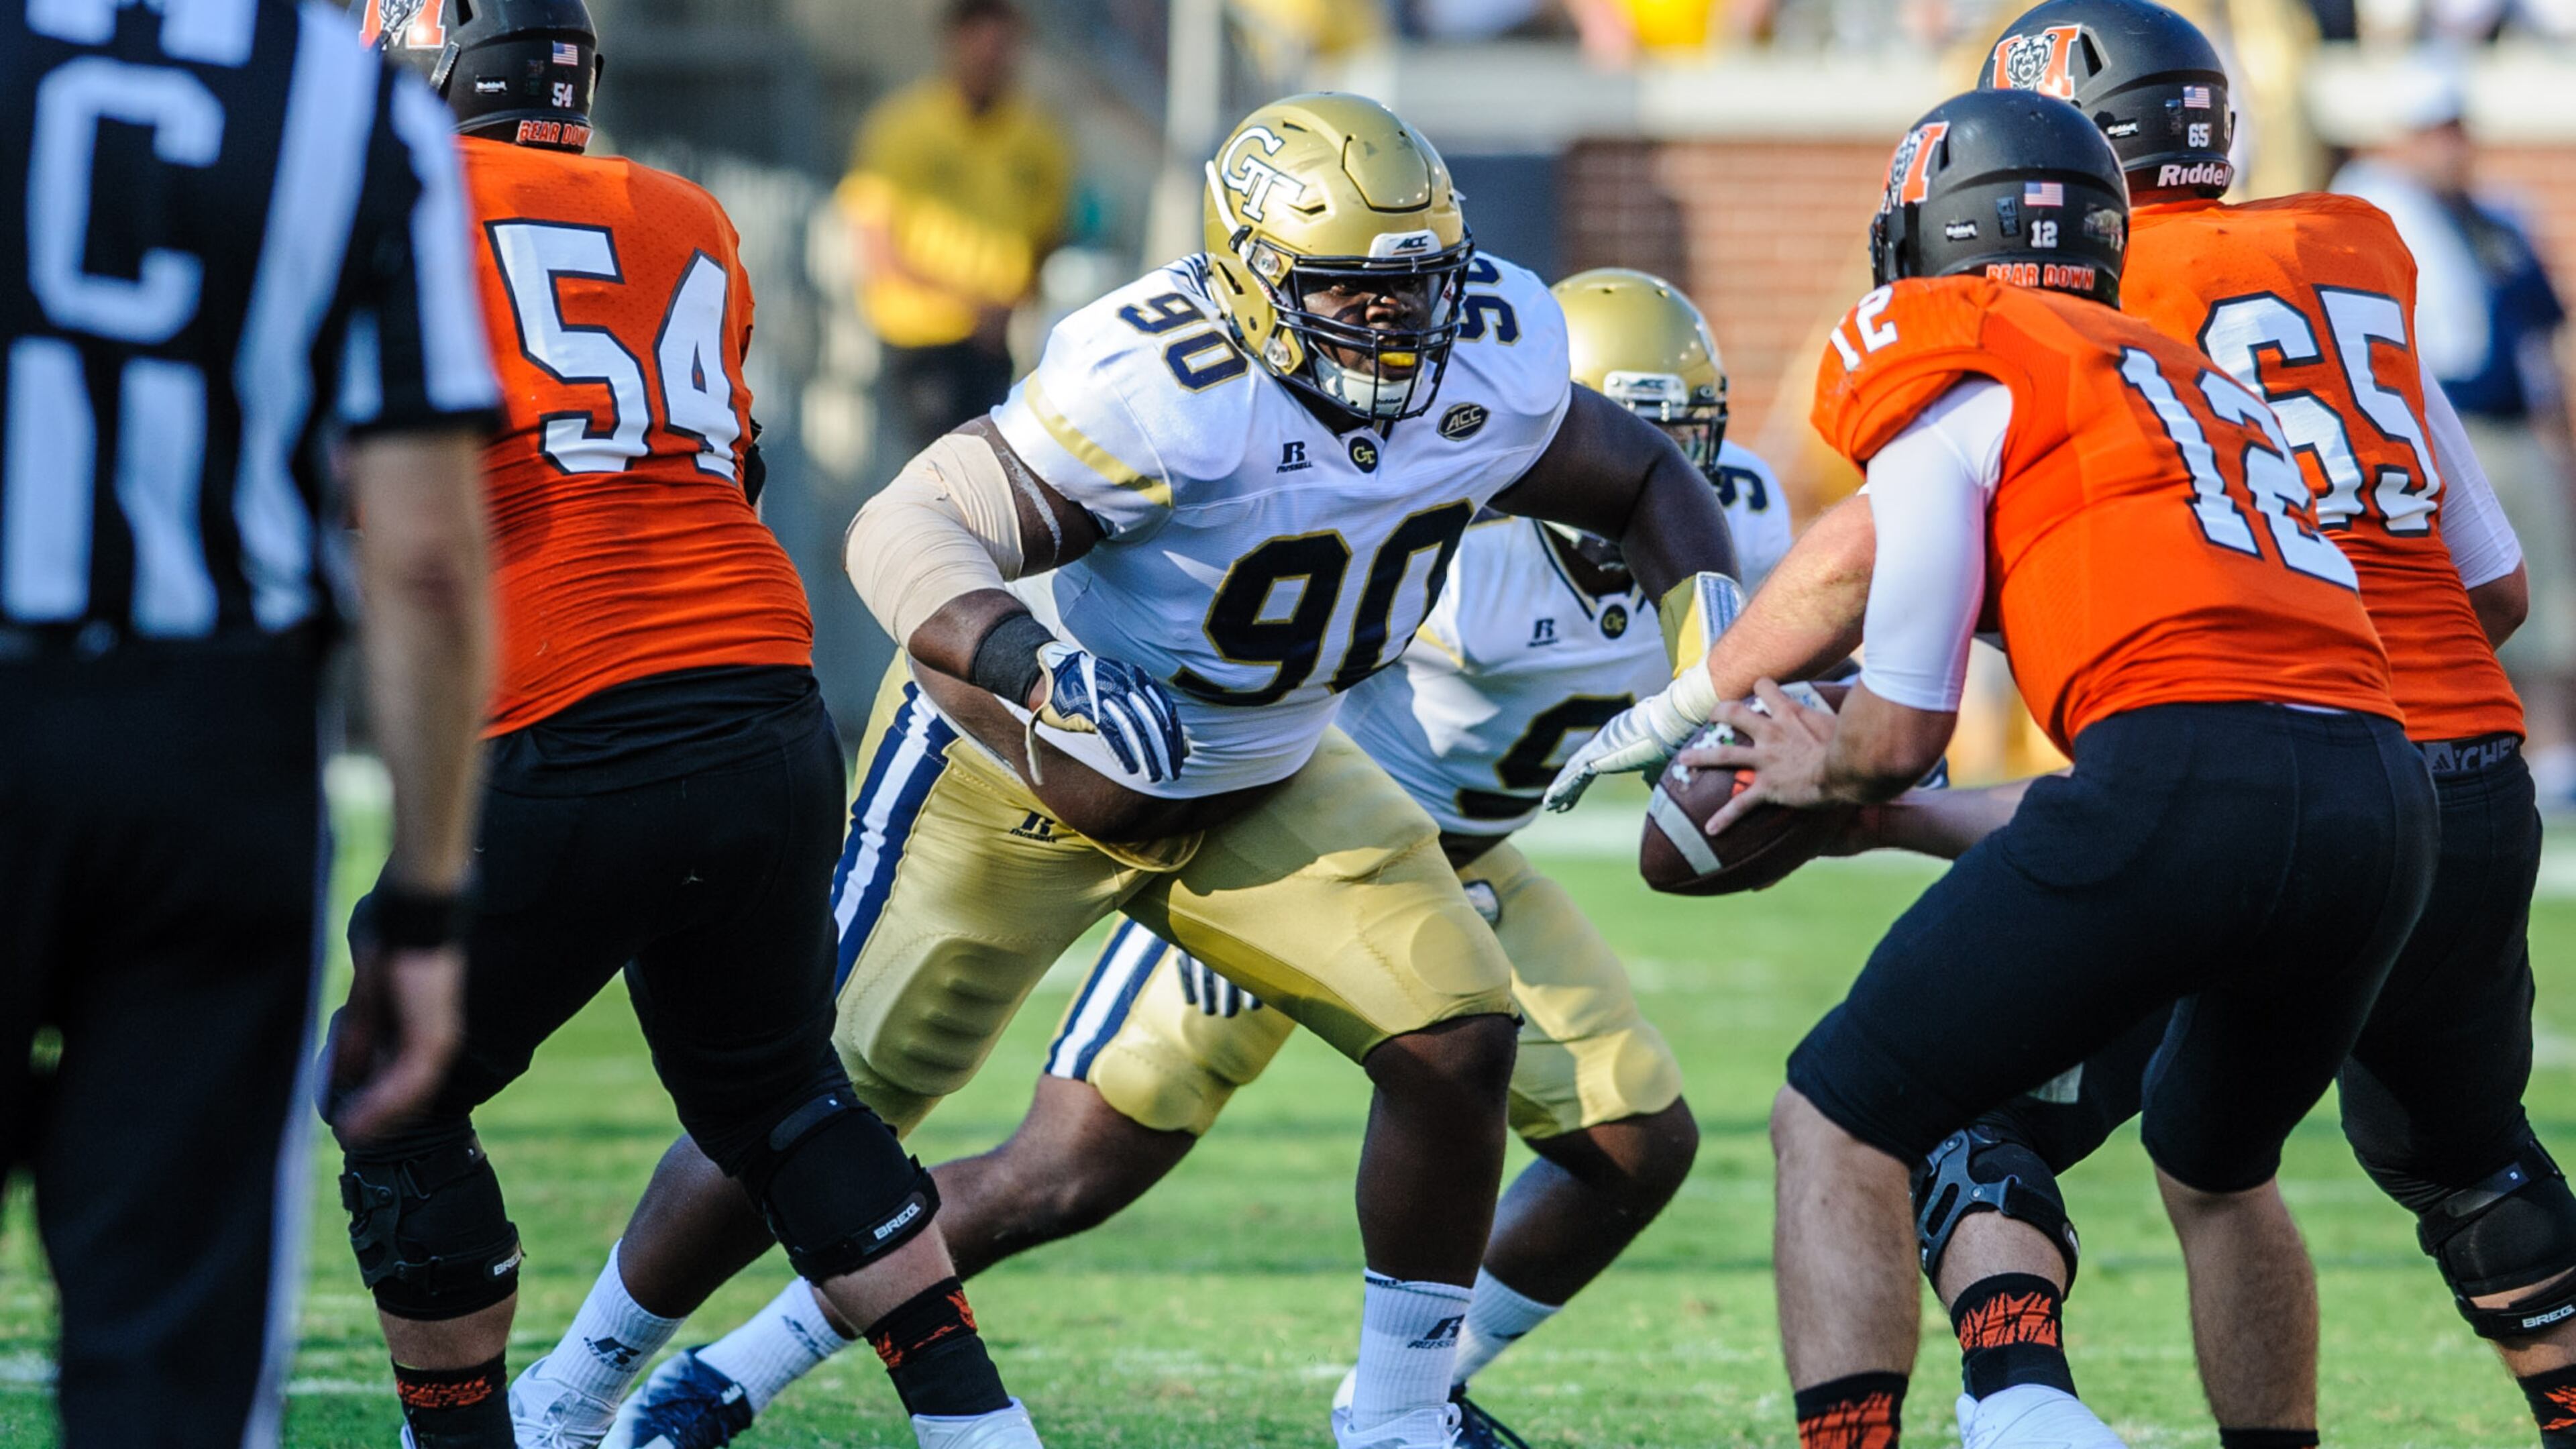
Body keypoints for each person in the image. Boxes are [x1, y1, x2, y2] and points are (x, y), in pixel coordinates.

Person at [520, 93, 1745, 1449]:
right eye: (1352, 290)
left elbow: (1640, 478)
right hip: (1021, 778)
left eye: (1417, 285)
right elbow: (908, 522)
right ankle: (571, 1391)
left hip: (1264, 771)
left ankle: (1398, 1422)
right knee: (811, 1105)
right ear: (1253, 279)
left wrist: (1716, 668)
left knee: (1457, 1036)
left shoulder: (1491, 350)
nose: (1396, 322)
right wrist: (1039, 665)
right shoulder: (1164, 382)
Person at [1552, 89, 2438, 1449]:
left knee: (1837, 1114)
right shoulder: (2194, 384)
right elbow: (2157, 789)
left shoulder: (1964, 372)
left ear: (1930, 239)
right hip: (2380, 801)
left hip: (2186, 783)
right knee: (2219, 1170)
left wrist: (1822, 771)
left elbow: (1907, 733)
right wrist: (1881, 800)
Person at [1832, 8, 2565, 1448]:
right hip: (2466, 775)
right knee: (2464, 1164)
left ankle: (2021, 1405)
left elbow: (1909, 555)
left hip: (2243, 770)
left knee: (1970, 1097)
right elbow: (2495, 590)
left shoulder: (2058, 310)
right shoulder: (2346, 260)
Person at [352, 7, 1044, 1449]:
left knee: (390, 1090)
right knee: (784, 1101)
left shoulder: (394, 200)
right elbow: (725, 461)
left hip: (571, 711)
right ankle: (979, 1427)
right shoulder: (683, 211)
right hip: (763, 699)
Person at [3, 0, 498, 1441]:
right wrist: (425, 903)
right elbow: (426, 558)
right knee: (172, 1357)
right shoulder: (354, 107)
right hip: (212, 747)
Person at [2336, 62, 2576, 800]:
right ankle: (2462, 738)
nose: (2447, 146)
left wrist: (2556, 429)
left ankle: (2551, 754)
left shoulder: (2496, 215)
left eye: (2454, 130)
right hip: (2434, 427)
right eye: (2432, 132)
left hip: (2507, 427)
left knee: (2538, 593)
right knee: (2461, 591)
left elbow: (2539, 331)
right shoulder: (2370, 206)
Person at [843, 0, 1072, 458]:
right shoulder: (901, 129)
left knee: (992, 468)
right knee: (939, 466)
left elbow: (1047, 235)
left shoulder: (1039, 139)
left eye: (1002, 45)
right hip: (921, 338)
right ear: (953, 43)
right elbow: (880, 251)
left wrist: (1012, 303)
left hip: (995, 343)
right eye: (979, 43)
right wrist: (972, 304)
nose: (991, 58)